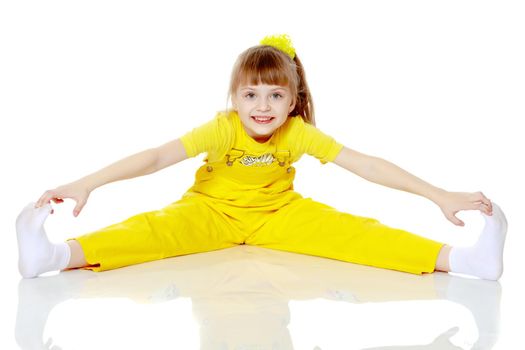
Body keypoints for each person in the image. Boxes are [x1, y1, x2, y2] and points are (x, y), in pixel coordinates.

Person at [16, 34, 507, 280]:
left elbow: (368, 165)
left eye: (275, 96)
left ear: (292, 101)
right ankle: (54, 255)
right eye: (250, 95)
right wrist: (86, 182)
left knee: (358, 235)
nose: (262, 107)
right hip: (209, 213)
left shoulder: (297, 133)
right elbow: (154, 158)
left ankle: (464, 260)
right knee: (149, 233)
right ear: (235, 98)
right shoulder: (222, 128)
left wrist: (438, 194)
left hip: (279, 216)